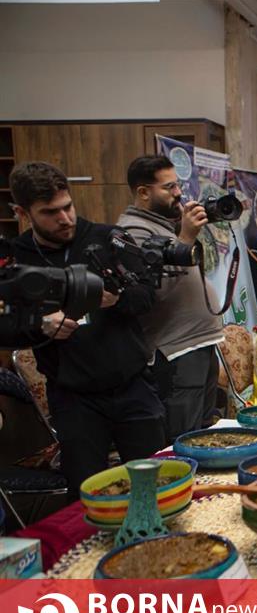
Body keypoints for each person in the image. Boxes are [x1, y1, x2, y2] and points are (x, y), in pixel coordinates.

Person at [8, 162, 165, 498]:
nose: (65, 219)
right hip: (73, 400)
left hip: (134, 388)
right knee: (87, 498)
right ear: (22, 212)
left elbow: (147, 295)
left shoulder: (108, 238)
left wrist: (114, 299)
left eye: (68, 207)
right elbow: (4, 328)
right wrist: (39, 325)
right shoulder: (15, 259)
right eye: (50, 213)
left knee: (156, 486)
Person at [116, 155, 224, 443]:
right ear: (143, 192)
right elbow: (146, 292)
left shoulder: (162, 225)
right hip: (175, 349)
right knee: (184, 437)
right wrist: (186, 237)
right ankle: (182, 488)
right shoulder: (131, 231)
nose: (178, 193)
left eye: (178, 185)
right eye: (169, 187)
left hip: (198, 342)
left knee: (203, 430)